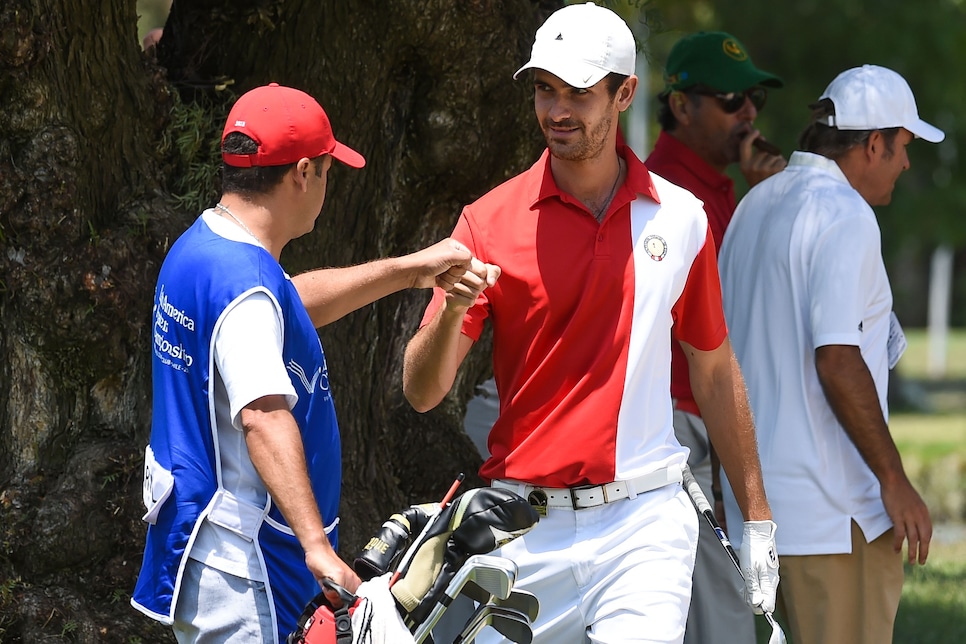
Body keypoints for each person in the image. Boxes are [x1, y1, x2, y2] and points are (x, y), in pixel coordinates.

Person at [402, 4, 779, 642]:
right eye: (545, 90)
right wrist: (455, 310)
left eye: (579, 92)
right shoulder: (486, 221)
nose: (557, 111)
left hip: (645, 522)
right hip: (523, 530)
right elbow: (421, 391)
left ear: (624, 93)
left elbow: (712, 368)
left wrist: (758, 517)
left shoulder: (681, 218)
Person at [131, 82, 476, 643]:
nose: (326, 186)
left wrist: (412, 270)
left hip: (206, 548)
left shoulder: (205, 245)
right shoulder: (244, 285)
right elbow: (263, 417)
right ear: (302, 173)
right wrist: (316, 545)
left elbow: (286, 304)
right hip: (246, 567)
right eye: (327, 171)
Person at [717, 64, 941, 644]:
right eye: (904, 147)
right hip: (833, 513)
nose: (907, 163)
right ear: (873, 143)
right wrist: (895, 480)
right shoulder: (845, 216)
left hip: (757, 511)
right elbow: (837, 359)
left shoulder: (754, 207)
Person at [644, 31, 785, 644]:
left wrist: (769, 197)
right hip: (678, 424)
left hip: (709, 420)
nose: (749, 113)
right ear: (681, 105)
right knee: (719, 613)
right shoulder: (661, 196)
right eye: (733, 99)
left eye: (753, 98)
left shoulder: (723, 191)